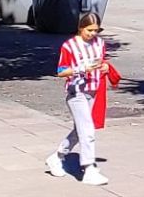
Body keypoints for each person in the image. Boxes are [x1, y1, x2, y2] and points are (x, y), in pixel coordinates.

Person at [44, 11, 114, 186]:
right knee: (87, 129)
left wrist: (104, 66)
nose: (92, 34)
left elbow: (103, 61)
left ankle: (57, 157)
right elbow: (60, 72)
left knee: (80, 130)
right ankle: (88, 168)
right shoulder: (69, 46)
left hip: (92, 90)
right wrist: (81, 69)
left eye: (96, 30)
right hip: (76, 92)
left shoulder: (100, 43)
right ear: (81, 28)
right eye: (89, 30)